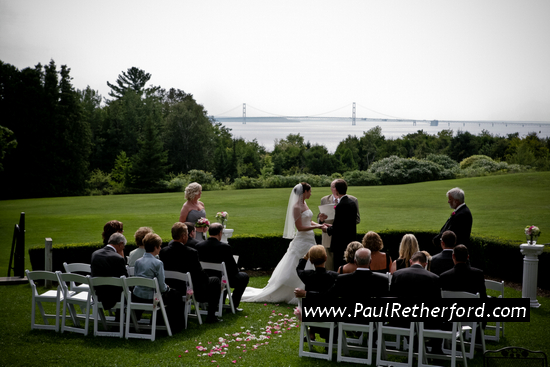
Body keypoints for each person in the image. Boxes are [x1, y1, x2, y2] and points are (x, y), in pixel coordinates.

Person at [241, 182, 323, 304]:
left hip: (310, 239)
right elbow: (300, 227)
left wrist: (320, 225)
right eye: (310, 191)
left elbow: (309, 221)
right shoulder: (296, 207)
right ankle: (294, 291)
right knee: (297, 263)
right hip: (302, 240)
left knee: (310, 262)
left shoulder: (304, 203)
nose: (311, 193)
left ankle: (307, 289)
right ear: (304, 192)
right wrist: (317, 227)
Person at [159, 222, 223, 323]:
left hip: (170, 286)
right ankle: (211, 316)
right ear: (184, 236)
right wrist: (206, 279)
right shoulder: (191, 252)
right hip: (188, 287)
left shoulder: (163, 251)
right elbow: (198, 273)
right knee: (214, 280)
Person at [133, 233, 185, 331]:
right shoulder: (158, 263)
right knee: (177, 295)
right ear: (155, 247)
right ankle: (176, 326)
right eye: (159, 246)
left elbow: (137, 278)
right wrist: (168, 288)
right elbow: (162, 287)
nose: (161, 248)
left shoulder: (138, 261)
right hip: (152, 297)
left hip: (138, 296)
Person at [294, 248, 389, 302]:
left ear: (355, 261)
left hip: (348, 319)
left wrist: (306, 294)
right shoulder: (383, 279)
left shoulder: (343, 279)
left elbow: (327, 296)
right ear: (370, 261)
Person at [196, 223, 250, 310]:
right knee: (244, 277)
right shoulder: (224, 247)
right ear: (220, 233)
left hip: (206, 277)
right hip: (222, 278)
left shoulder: (199, 246)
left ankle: (220, 303)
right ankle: (233, 305)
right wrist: (237, 270)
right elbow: (233, 268)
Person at [296, 245, 338, 341]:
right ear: (326, 258)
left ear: (311, 261)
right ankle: (330, 338)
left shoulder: (307, 275)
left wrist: (305, 257)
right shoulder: (334, 276)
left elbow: (299, 269)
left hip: (311, 315)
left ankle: (312, 332)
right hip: (329, 315)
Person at [318, 180, 360, 271]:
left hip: (339, 241)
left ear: (336, 190)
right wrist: (325, 223)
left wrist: (328, 229)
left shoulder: (343, 204)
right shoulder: (350, 202)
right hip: (340, 238)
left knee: (339, 267)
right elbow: (343, 223)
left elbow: (341, 226)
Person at [90, 232, 129, 311]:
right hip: (114, 297)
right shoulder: (118, 258)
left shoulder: (95, 254)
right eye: (123, 246)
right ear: (121, 244)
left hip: (98, 294)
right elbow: (125, 280)